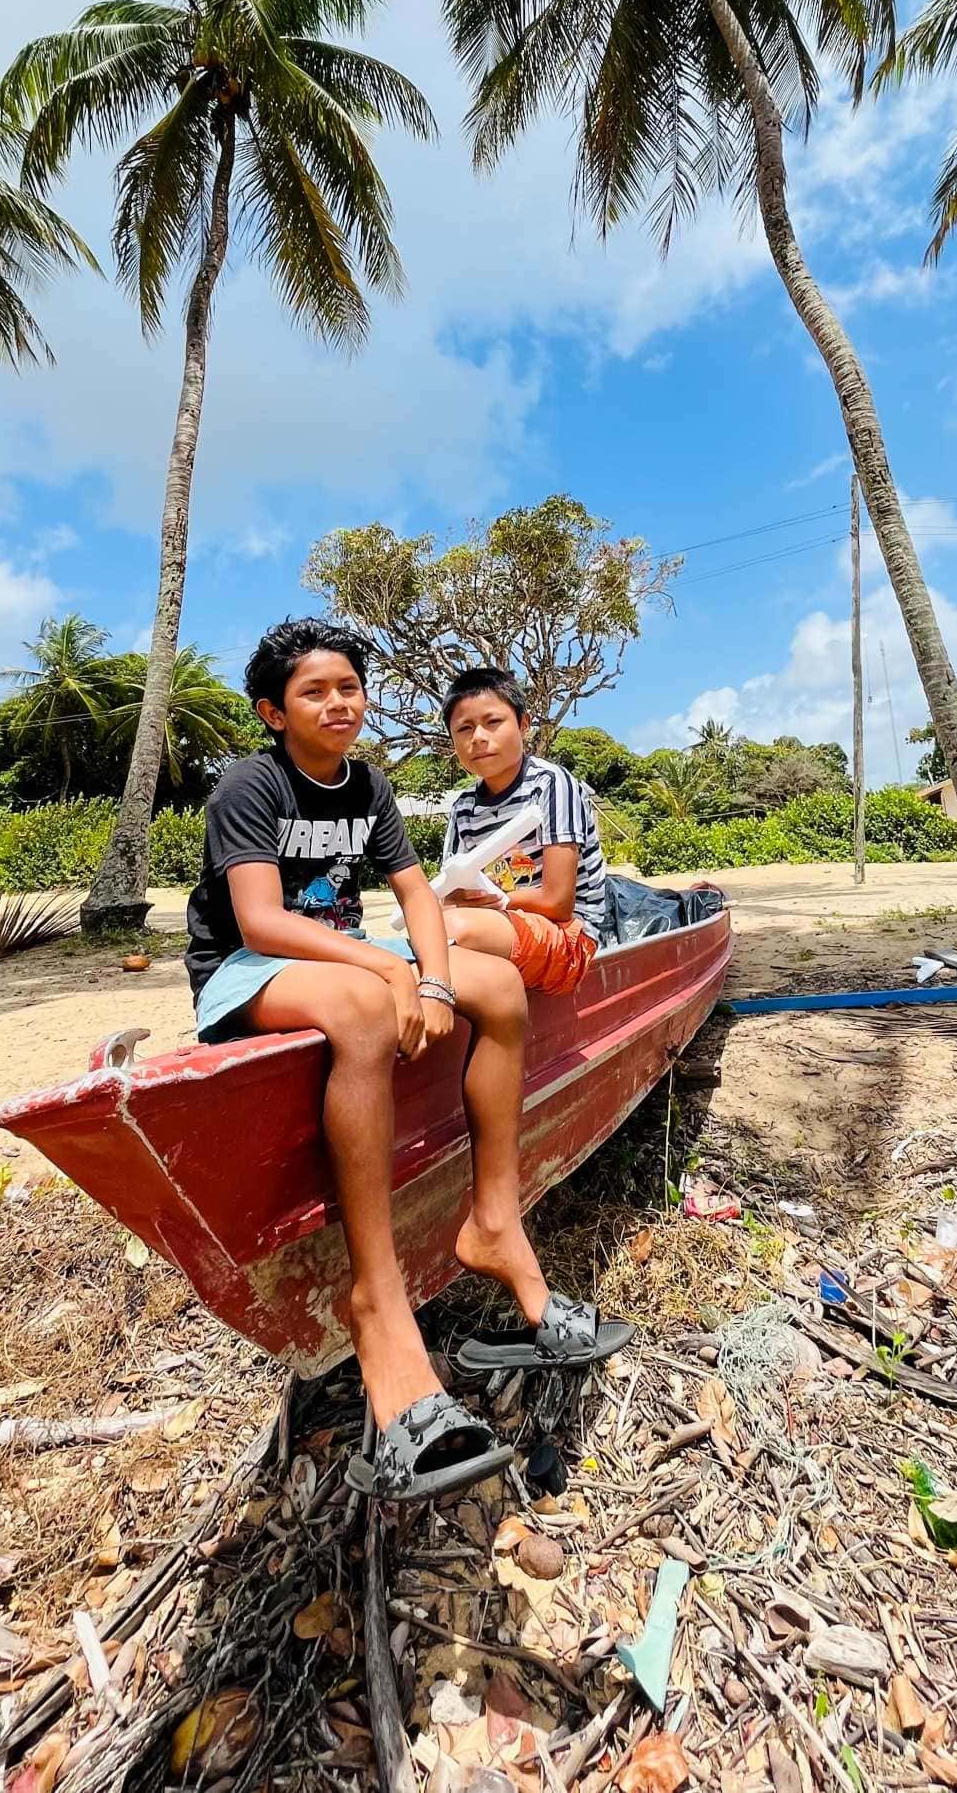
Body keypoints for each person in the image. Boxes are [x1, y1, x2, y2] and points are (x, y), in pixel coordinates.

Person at [185, 619, 630, 1503]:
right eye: (315, 692)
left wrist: (431, 979)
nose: (339, 703)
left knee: (497, 988)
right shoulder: (249, 783)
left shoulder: (370, 785)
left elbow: (419, 893)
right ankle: (377, 1305)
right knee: (358, 1005)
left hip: (346, 955)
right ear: (274, 712)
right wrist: (391, 970)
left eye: (350, 687)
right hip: (250, 969)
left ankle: (493, 1224)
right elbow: (263, 923)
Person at [438, 668, 609, 996]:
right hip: (499, 926)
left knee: (455, 928)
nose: (478, 737)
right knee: (432, 931)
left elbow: (557, 901)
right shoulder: (463, 809)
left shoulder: (551, 784)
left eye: (493, 722)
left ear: (524, 724)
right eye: (464, 728)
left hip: (569, 937)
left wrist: (487, 905)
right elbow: (451, 895)